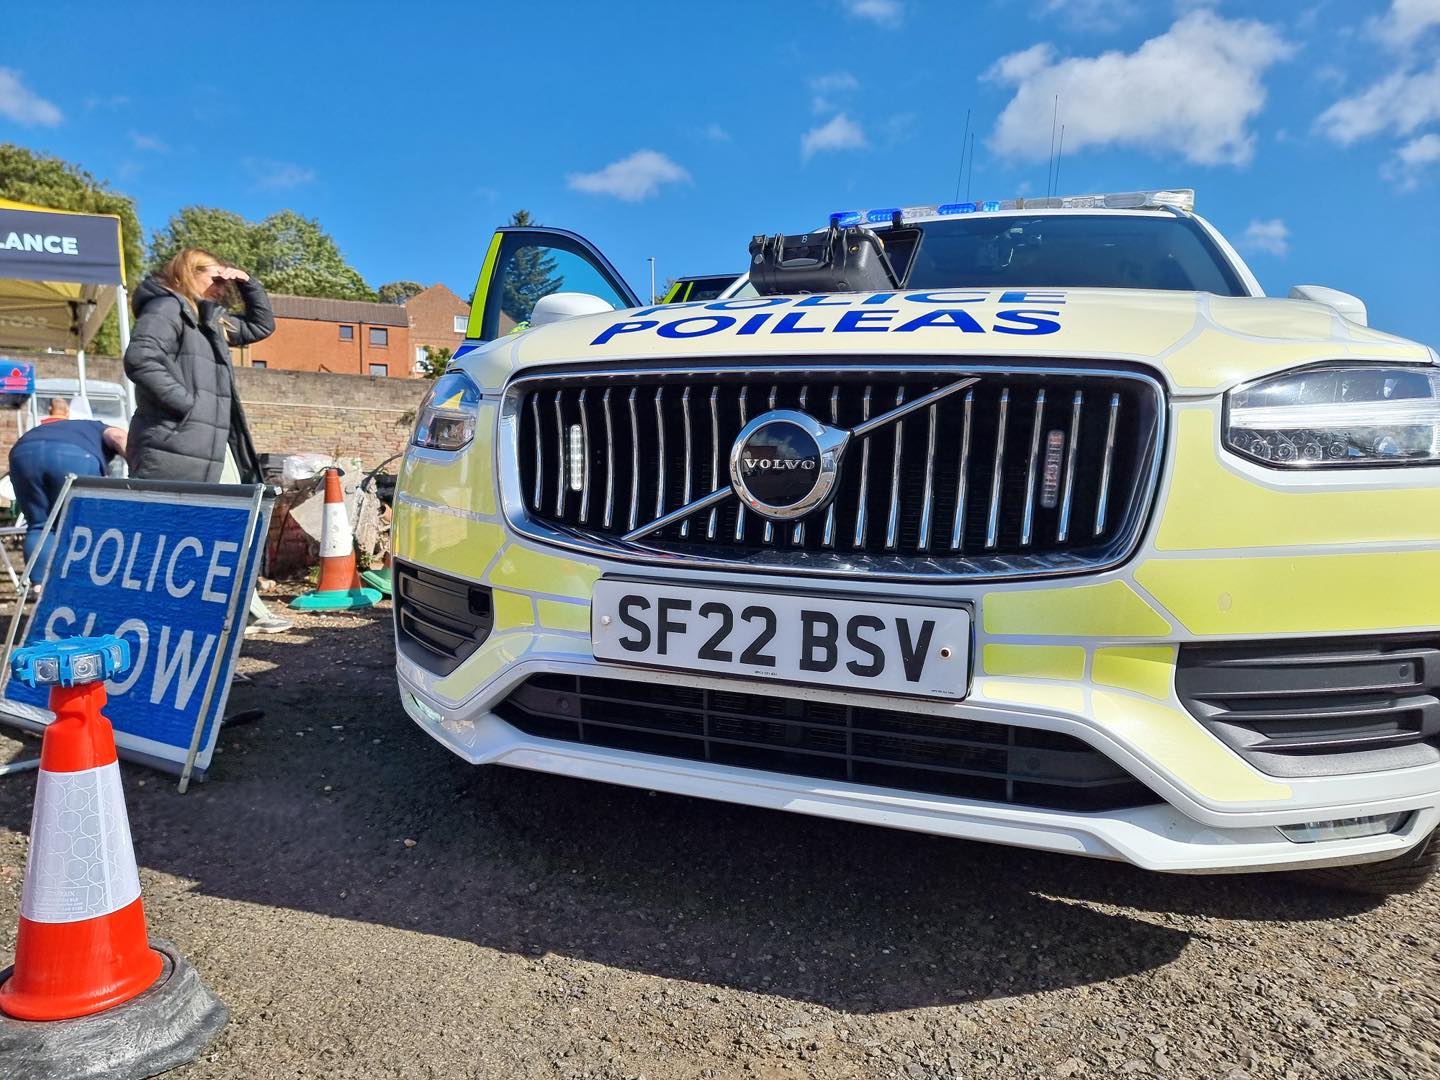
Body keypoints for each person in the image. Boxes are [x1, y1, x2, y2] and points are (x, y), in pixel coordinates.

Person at [124, 248, 293, 635]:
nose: (221, 287)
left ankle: (220, 636)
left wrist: (248, 282)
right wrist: (187, 405)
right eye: (214, 279)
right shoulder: (168, 309)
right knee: (181, 550)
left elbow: (260, 327)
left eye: (224, 281)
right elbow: (141, 359)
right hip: (177, 445)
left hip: (210, 446)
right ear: (188, 272)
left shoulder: (209, 320)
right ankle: (169, 642)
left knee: (223, 536)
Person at [8, 412, 126, 574]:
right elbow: (118, 437)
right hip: (73, 455)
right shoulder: (100, 427)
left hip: (23, 453)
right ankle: (78, 578)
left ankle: (39, 586)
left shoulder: (66, 428)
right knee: (82, 525)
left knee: (40, 526)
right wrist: (136, 466)